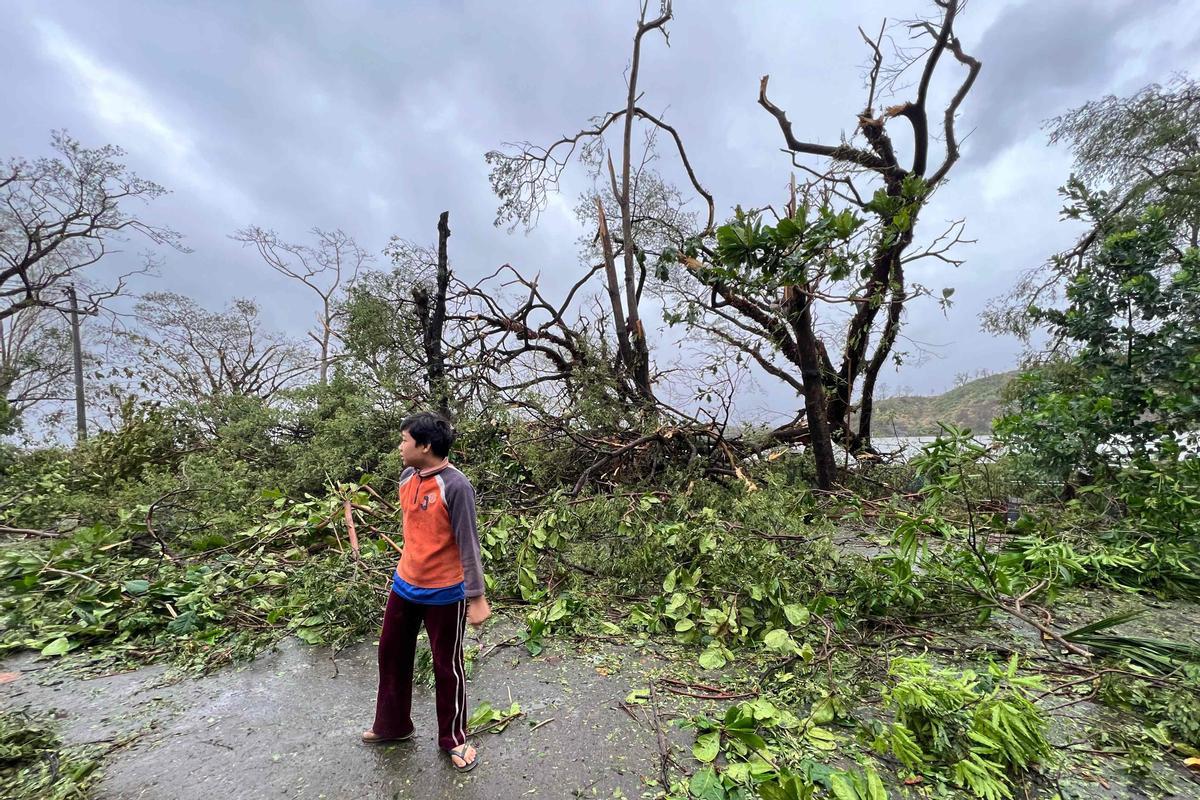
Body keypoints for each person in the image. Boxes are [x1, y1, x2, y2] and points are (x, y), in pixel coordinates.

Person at [361, 412, 490, 772]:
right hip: (405, 584)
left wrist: (476, 596)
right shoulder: (407, 477)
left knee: (447, 666)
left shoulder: (456, 486)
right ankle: (393, 726)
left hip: (445, 593)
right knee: (390, 654)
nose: (400, 447)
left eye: (404, 440)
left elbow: (469, 542)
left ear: (425, 446)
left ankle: (454, 738)